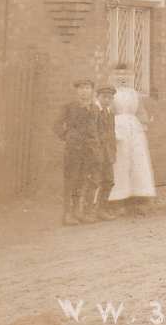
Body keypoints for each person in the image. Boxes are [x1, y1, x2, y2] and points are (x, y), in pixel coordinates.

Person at [107, 65, 156, 215]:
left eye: (125, 75)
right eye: (119, 75)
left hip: (134, 130)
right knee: (120, 162)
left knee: (137, 162)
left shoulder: (134, 94)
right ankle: (118, 200)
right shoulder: (111, 94)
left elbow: (140, 112)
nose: (122, 78)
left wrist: (143, 123)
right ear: (113, 77)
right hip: (117, 128)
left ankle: (137, 198)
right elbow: (107, 111)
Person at [53, 78, 99, 226]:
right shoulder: (69, 107)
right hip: (73, 149)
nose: (84, 91)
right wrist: (67, 136)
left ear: (92, 91)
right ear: (76, 91)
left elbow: (96, 128)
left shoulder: (95, 108)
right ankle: (67, 214)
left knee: (82, 180)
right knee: (71, 181)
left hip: (88, 150)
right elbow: (57, 125)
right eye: (81, 88)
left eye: (87, 88)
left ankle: (77, 212)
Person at [89, 79, 118, 221]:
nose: (107, 100)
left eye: (110, 97)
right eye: (104, 97)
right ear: (97, 97)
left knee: (108, 181)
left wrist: (113, 152)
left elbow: (111, 133)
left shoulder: (110, 113)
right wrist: (94, 151)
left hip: (107, 153)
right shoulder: (93, 111)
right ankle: (88, 211)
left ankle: (102, 209)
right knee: (93, 181)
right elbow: (91, 133)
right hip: (95, 153)